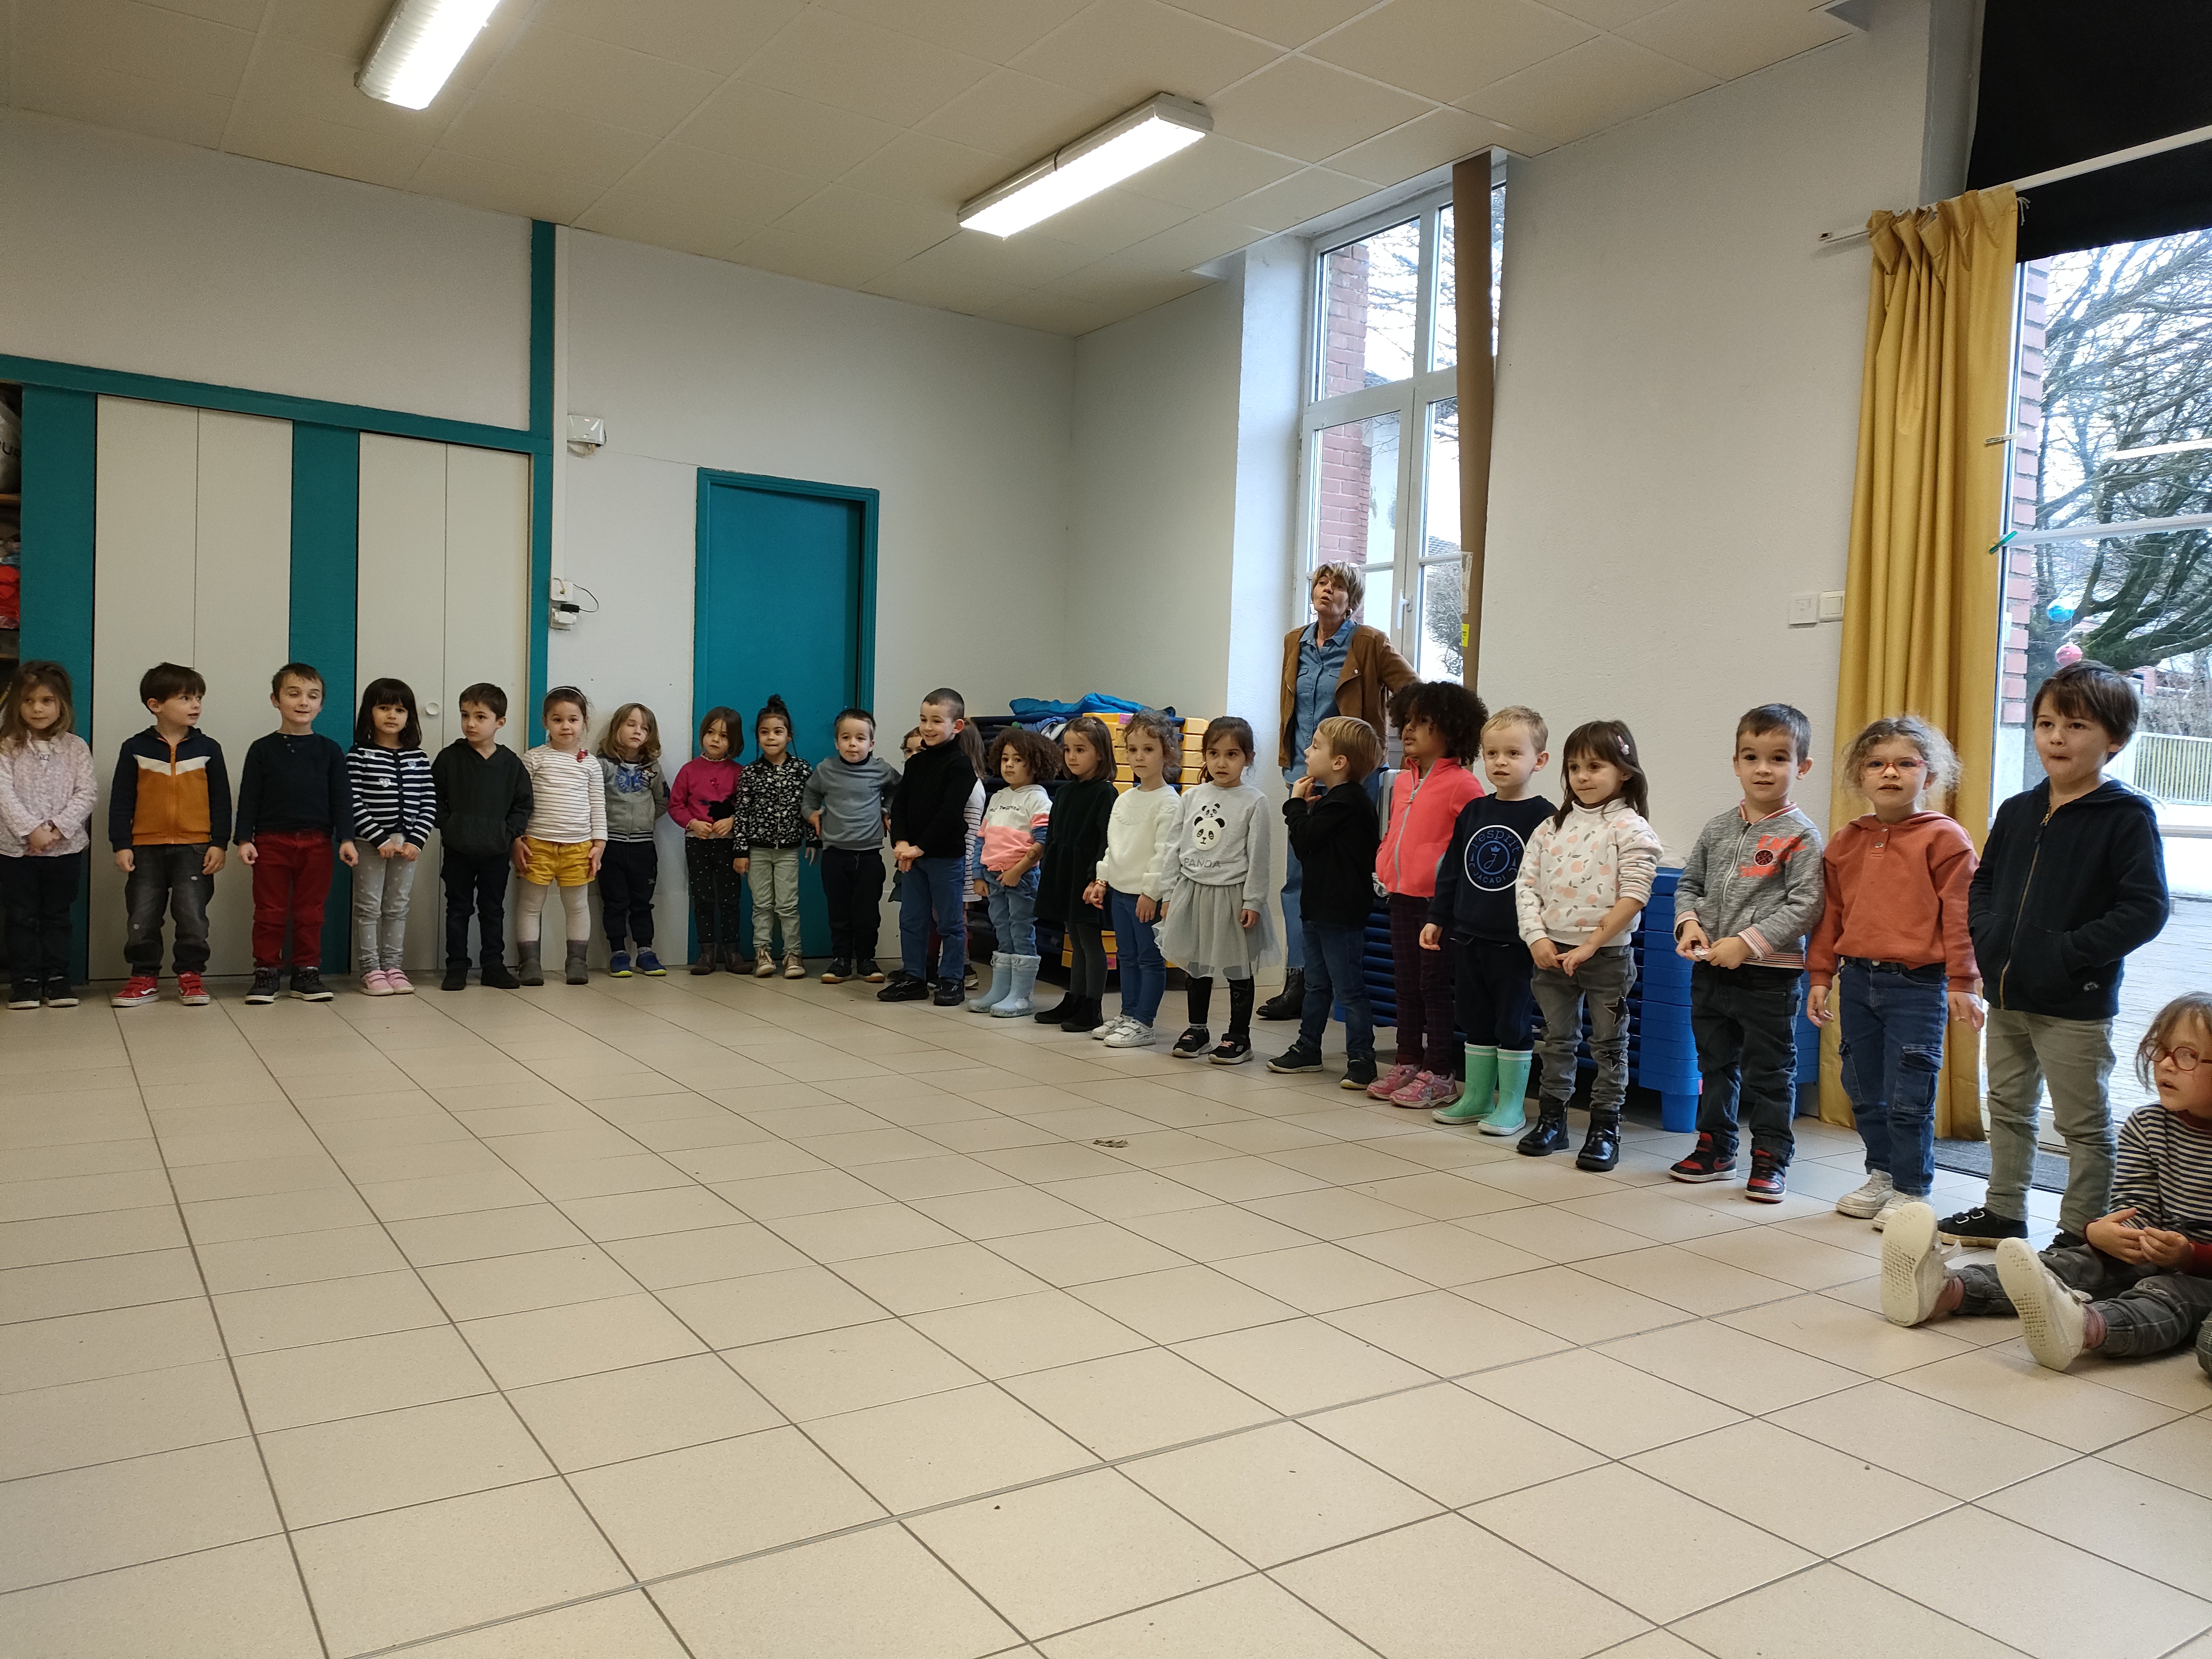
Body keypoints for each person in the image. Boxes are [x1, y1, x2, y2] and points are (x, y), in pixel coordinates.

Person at [1944, 661, 2170, 1248]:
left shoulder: (2126, 816)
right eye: (2046, 724)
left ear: (2114, 739)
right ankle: (2003, 1211)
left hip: (2075, 1002)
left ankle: (2081, 1232)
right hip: (2009, 995)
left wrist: (2067, 954)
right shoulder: (2017, 809)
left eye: (2075, 726)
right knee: (2007, 1108)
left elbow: (2145, 909)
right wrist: (1987, 937)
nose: (2056, 738)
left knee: (2082, 1124)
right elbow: (1983, 882)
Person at [1880, 992, 2212, 1378]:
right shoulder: (2147, 1124)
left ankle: (2084, 1327)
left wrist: (2189, 1257)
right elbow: (2135, 1204)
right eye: (2160, 1050)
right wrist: (2103, 1234)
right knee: (2074, 1262)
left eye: (2187, 1055)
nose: (2165, 1065)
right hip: (2161, 1250)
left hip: (2203, 1269)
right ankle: (1946, 1290)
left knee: (2168, 1295)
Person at [1807, 715, 1983, 1227]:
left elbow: (1961, 915)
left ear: (1929, 776)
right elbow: (1830, 916)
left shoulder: (1945, 838)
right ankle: (1881, 1174)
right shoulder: (1846, 841)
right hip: (1858, 981)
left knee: (1910, 1094)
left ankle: (1912, 1188)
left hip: (1918, 986)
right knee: (1863, 1088)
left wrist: (1963, 981)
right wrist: (1820, 976)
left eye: (1905, 763)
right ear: (1859, 777)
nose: (1890, 773)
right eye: (1876, 764)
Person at [1666, 704, 1827, 1202]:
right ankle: (1716, 1149)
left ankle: (1771, 1158)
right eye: (1752, 757)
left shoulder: (1802, 835)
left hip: (1768, 979)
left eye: (1778, 758)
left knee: (1770, 1072)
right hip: (1711, 973)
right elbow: (1689, 884)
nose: (1763, 769)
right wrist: (1689, 923)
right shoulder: (1717, 828)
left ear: (1801, 767)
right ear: (1735, 763)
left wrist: (1747, 943)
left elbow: (1806, 905)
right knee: (1714, 1064)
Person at [1263, 559, 1416, 1023]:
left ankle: (1346, 983)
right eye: (1321, 582)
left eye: (1338, 586)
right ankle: (1300, 980)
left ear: (1353, 600)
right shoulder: (1295, 640)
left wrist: (1406, 744)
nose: (1326, 590)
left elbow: (1413, 692)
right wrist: (1292, 762)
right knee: (1297, 879)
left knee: (1345, 877)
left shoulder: (1369, 643)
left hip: (1354, 780)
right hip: (1304, 774)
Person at [1514, 720, 1662, 1171]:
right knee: (1556, 1040)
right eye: (1575, 767)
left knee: (1609, 1043)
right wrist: (1536, 936)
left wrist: (1591, 945)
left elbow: (1634, 896)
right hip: (1552, 954)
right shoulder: (1550, 827)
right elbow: (1526, 885)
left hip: (1607, 958)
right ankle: (1553, 1119)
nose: (1582, 776)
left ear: (1625, 772)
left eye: (1595, 766)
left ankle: (1605, 1126)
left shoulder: (1631, 828)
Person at [1424, 706, 1554, 1133]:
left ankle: (1512, 1104)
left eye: (1513, 753)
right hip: (1469, 936)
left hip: (1517, 944)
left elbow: (1550, 881)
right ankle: (1478, 1096)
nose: (1500, 762)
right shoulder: (1474, 812)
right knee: (1474, 1018)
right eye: (1492, 753)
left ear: (1539, 760)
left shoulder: (1547, 818)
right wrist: (1438, 917)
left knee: (1512, 1023)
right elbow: (1452, 870)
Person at [1371, 680, 1487, 1108]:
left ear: (1451, 729)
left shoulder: (1463, 785)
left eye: (1423, 722)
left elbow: (1471, 850)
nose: (1409, 730)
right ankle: (1407, 1060)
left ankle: (1440, 1071)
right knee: (1406, 985)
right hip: (1401, 897)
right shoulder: (1403, 782)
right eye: (1407, 720)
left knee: (1434, 986)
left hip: (1439, 906)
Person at [1269, 716, 1385, 1089]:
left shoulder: (1348, 801)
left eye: (1316, 745)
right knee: (1316, 984)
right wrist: (1304, 812)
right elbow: (1309, 849)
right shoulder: (1333, 801)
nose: (1307, 751)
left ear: (1339, 762)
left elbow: (1305, 839)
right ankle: (1308, 1048)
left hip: (1340, 913)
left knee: (1348, 988)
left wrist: (1294, 807)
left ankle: (1362, 1059)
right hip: (1318, 909)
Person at [1159, 716, 1280, 1064]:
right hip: (1193, 892)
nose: (1222, 763)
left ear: (1248, 758)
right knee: (1196, 965)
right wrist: (1168, 893)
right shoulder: (1191, 797)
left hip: (1232, 896)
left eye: (1232, 754)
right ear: (1205, 756)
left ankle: (1239, 1036)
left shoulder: (1254, 801)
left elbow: (1259, 856)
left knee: (1237, 966)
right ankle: (1197, 1029)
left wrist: (1253, 900)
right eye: (1214, 754)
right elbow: (1174, 847)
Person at [109, 663, 230, 1008]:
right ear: (155, 705)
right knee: (142, 916)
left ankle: (191, 975)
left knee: (192, 916)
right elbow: (121, 799)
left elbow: (221, 801)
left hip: (195, 847)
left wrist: (219, 843)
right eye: (185, 698)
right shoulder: (135, 748)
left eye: (199, 698)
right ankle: (143, 976)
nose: (196, 705)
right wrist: (121, 844)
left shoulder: (209, 748)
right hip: (145, 848)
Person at [235, 662, 354, 1005]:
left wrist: (346, 838)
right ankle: (266, 972)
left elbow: (342, 798)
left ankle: (306, 972)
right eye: (294, 694)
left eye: (313, 696)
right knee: (269, 911)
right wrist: (244, 838)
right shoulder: (262, 749)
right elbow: (249, 797)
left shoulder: (330, 750)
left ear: (321, 704)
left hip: (317, 843)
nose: (304, 702)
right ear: (276, 700)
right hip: (270, 843)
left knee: (310, 912)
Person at [0, 661, 96, 1010]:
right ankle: (24, 982)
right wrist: (31, 830)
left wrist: (56, 829)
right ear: (17, 705)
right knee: (21, 917)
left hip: (64, 850)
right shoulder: (7, 747)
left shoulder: (76, 747)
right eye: (28, 701)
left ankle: (58, 980)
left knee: (57, 916)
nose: (37, 709)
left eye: (46, 701)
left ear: (61, 705)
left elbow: (87, 792)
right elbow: (3, 794)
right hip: (16, 852)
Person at [881, 687, 984, 1006]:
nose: (927, 727)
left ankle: (952, 979)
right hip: (913, 858)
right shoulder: (916, 764)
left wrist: (919, 847)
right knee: (912, 919)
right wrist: (901, 842)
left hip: (944, 858)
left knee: (950, 922)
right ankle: (914, 977)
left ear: (957, 726)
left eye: (937, 721)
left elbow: (949, 814)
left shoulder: (960, 766)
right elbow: (900, 807)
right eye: (923, 719)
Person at [1090, 710, 1182, 1049]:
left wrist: (1151, 892)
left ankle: (1144, 1021)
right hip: (1119, 892)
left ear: (1166, 753)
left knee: (1149, 959)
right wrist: (1102, 880)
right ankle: (1128, 1013)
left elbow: (1165, 853)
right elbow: (1113, 845)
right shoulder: (1125, 799)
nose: (1139, 757)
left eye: (1148, 750)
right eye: (1133, 750)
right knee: (1126, 957)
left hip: (1145, 897)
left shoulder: (1169, 802)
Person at [431, 683, 530, 991]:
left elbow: (523, 805)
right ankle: (456, 967)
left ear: (500, 722)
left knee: (493, 909)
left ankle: (493, 966)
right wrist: (450, 826)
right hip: (458, 849)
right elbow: (434, 798)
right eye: (465, 715)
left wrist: (507, 834)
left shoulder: (511, 764)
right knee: (458, 909)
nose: (470, 723)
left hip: (496, 851)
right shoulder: (449, 758)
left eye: (480, 717)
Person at [346, 677, 435, 997]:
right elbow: (352, 801)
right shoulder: (358, 755)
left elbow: (429, 802)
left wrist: (416, 840)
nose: (392, 716)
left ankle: (393, 966)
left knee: (397, 907)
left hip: (406, 846)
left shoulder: (419, 758)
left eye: (400, 710)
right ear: (369, 713)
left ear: (409, 716)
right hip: (370, 845)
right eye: (384, 708)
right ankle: (371, 969)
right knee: (369, 907)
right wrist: (378, 838)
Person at [516, 686, 606, 986]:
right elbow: (519, 803)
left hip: (579, 848)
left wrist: (599, 844)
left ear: (584, 722)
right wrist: (517, 839)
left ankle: (577, 963)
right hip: (537, 845)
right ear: (545, 722)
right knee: (530, 906)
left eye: (573, 719)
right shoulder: (533, 759)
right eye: (557, 720)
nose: (566, 726)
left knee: (578, 906)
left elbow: (598, 806)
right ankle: (530, 963)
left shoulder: (591, 764)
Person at [1032, 716, 1117, 1031]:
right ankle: (1075, 998)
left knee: (1089, 940)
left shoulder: (1105, 793)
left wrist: (1097, 879)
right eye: (1067, 749)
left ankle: (1092, 1006)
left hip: (1087, 876)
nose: (1072, 756)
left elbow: (1106, 840)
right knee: (1075, 938)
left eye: (1080, 750)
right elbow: (1054, 834)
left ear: (1100, 754)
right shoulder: (1066, 792)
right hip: (1065, 872)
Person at [804, 707, 898, 984]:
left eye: (860, 738)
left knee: (867, 913)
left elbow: (898, 789)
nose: (853, 744)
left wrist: (887, 810)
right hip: (835, 854)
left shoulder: (881, 770)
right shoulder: (825, 770)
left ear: (872, 743)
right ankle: (841, 960)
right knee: (839, 911)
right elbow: (809, 795)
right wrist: (811, 813)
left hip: (869, 855)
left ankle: (867, 960)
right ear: (837, 743)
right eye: (846, 738)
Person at [968, 726, 1058, 1017]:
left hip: (1022, 878)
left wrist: (1017, 872)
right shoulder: (998, 797)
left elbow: (1042, 843)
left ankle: (1021, 996)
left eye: (1018, 760)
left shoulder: (1038, 799)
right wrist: (978, 874)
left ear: (1036, 764)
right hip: (994, 877)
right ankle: (1001, 990)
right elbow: (981, 839)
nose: (1009, 765)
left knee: (1021, 930)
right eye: (1006, 758)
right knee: (1002, 930)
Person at [738, 693, 812, 979]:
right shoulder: (750, 773)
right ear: (757, 737)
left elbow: (810, 807)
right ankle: (763, 953)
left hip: (788, 851)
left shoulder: (802, 770)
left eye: (778, 732)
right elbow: (742, 813)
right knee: (762, 905)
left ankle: (793, 954)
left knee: (787, 905)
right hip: (757, 850)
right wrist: (740, 850)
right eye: (764, 732)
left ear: (789, 736)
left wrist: (813, 839)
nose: (771, 738)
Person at [596, 702, 668, 978]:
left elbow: (663, 802)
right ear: (617, 728)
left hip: (643, 847)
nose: (638, 731)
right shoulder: (601, 765)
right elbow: (593, 801)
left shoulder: (653, 769)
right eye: (631, 724)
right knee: (615, 902)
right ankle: (618, 953)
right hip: (610, 846)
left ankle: (646, 952)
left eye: (645, 728)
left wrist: (645, 820)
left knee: (642, 902)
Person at [669, 707, 744, 975]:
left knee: (730, 899)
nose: (715, 739)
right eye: (711, 733)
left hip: (728, 844)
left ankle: (732, 952)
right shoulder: (689, 770)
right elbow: (675, 805)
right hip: (697, 843)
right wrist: (692, 823)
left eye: (724, 736)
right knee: (703, 898)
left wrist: (733, 820)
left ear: (733, 742)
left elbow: (747, 807)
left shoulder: (739, 772)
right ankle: (707, 953)